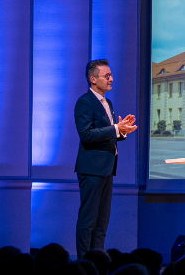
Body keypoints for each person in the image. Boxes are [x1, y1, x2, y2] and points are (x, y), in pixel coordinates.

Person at [75, 59, 138, 258]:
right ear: (93, 79)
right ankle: (85, 262)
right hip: (92, 168)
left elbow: (107, 133)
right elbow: (86, 134)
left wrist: (122, 131)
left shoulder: (107, 102)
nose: (111, 79)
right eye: (107, 76)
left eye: (111, 75)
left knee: (102, 222)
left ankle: (98, 260)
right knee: (89, 221)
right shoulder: (85, 102)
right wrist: (115, 128)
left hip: (107, 167)